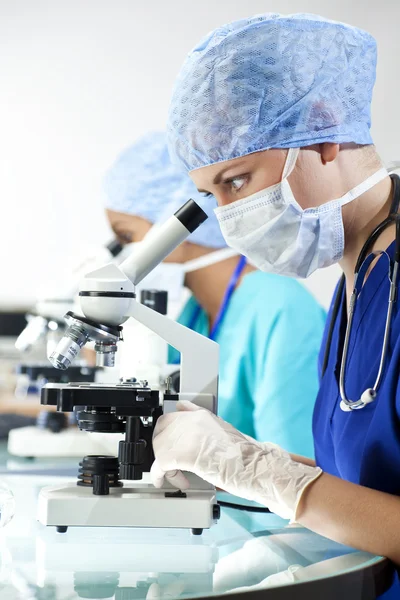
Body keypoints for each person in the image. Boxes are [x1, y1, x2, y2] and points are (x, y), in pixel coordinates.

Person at [151, 13, 400, 598]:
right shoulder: (358, 283)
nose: (228, 219)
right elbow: (360, 486)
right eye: (212, 196)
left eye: (236, 180)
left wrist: (262, 473)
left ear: (322, 133)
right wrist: (238, 463)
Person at [104, 131, 326, 455]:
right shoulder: (194, 314)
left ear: (178, 223)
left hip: (263, 507)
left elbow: (298, 471)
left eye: (126, 236)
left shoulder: (281, 309)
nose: (124, 254)